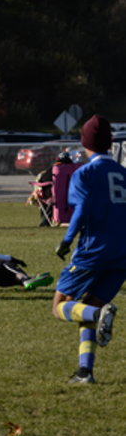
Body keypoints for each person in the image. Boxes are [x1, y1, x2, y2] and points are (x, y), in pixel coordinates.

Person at [53, 114, 126, 384]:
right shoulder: (123, 173)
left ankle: (99, 314)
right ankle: (85, 372)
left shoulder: (84, 173)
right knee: (86, 306)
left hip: (94, 249)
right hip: (122, 253)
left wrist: (66, 240)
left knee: (60, 306)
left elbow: (81, 209)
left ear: (85, 142)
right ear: (109, 143)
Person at [27, 151, 73, 227]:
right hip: (71, 195)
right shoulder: (73, 169)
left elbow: (42, 180)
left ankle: (45, 221)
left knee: (46, 199)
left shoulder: (54, 169)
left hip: (53, 196)